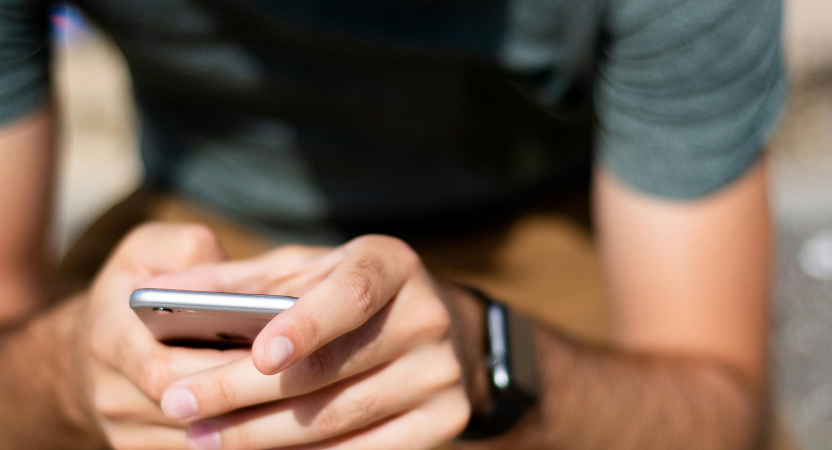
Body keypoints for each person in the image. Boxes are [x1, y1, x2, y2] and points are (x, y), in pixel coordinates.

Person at [0, 0, 784, 449]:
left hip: (557, 238)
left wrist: (491, 360)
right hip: (196, 230)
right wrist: (69, 369)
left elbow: (717, 407)